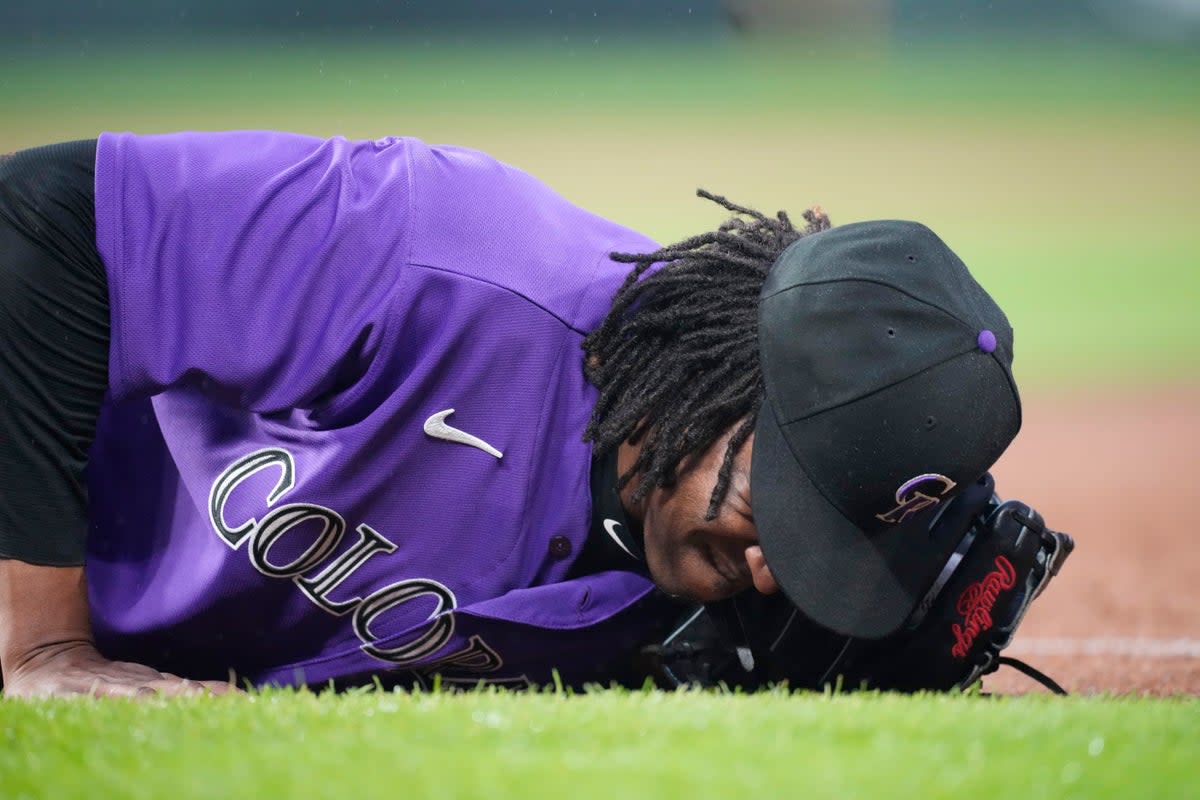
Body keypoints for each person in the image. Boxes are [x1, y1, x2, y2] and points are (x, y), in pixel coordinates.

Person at [0, 133, 1022, 698]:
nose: (774, 568)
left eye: (824, 542)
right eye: (784, 504)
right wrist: (45, 648)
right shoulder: (441, 252)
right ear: (715, 379)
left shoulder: (686, 587)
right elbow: (39, 220)